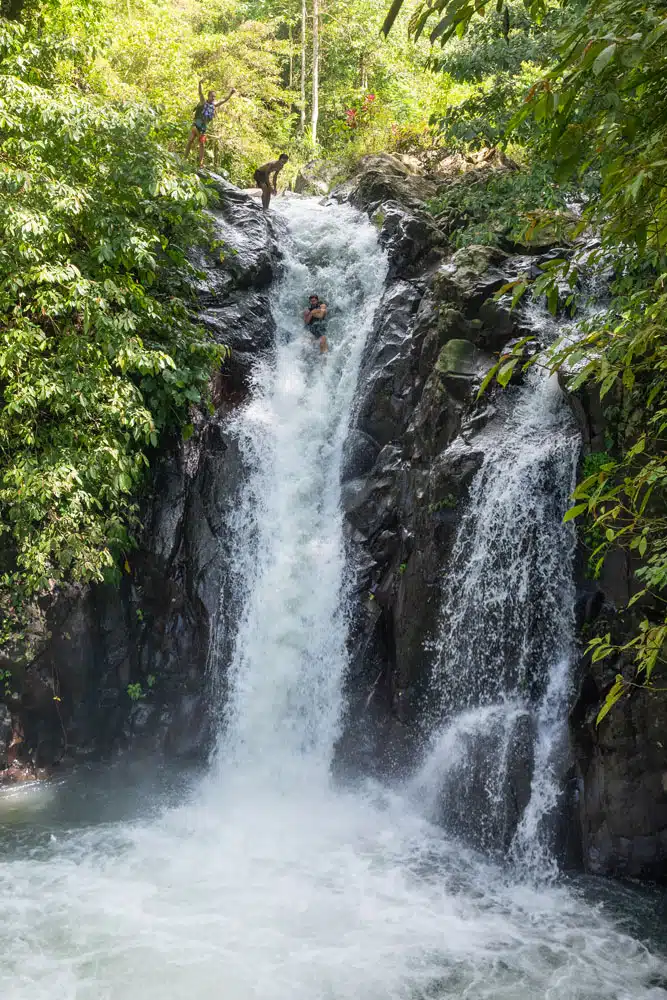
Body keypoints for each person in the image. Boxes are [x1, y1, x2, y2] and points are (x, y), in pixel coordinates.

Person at [186, 80, 235, 168]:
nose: (213, 98)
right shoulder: (203, 102)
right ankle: (185, 158)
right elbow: (200, 93)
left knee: (201, 144)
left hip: (203, 127)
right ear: (208, 96)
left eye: (214, 97)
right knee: (191, 140)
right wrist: (199, 84)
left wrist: (231, 94)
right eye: (212, 96)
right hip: (196, 124)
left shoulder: (214, 105)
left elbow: (224, 100)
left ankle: (200, 164)